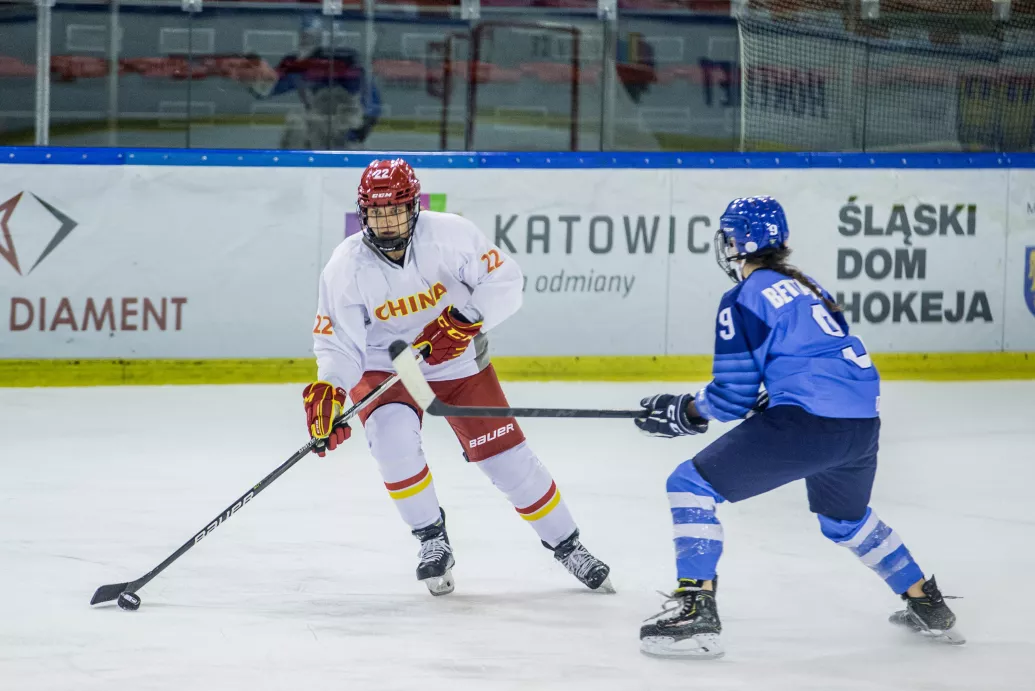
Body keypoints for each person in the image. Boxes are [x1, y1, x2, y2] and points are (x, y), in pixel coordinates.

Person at [634, 196, 962, 658]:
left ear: (735, 242)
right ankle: (926, 602)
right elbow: (815, 360)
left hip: (808, 423)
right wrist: (774, 395)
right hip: (860, 427)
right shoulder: (808, 287)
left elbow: (732, 396)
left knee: (689, 485)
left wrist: (685, 411)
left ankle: (695, 610)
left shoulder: (743, 298)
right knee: (845, 520)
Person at [303, 158, 612, 596]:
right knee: (392, 442)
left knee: (507, 460)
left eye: (395, 210)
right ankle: (432, 539)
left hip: (458, 361)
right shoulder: (344, 266)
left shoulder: (450, 235)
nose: (386, 222)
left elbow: (506, 280)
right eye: (376, 212)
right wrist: (332, 387)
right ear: (363, 212)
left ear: (414, 207)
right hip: (385, 365)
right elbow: (339, 343)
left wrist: (466, 319)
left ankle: (569, 545)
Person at [246, 15, 381, 150]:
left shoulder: (349, 62)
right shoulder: (300, 65)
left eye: (310, 37)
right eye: (304, 36)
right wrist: (255, 77)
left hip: (344, 123)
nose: (305, 41)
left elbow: (371, 101)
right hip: (316, 124)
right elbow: (269, 88)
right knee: (296, 126)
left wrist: (359, 131)